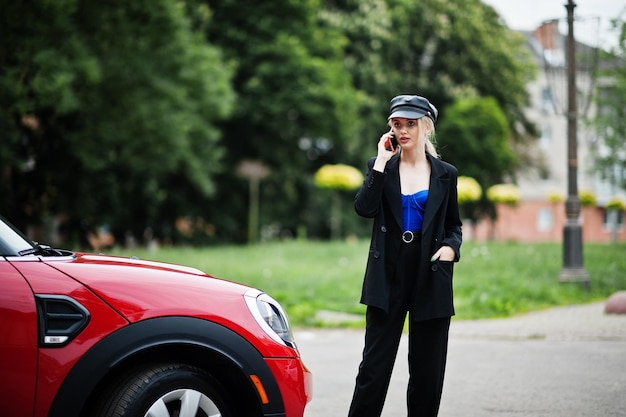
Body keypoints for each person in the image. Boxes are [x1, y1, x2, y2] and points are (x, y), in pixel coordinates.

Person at [348, 94, 462, 417]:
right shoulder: (381, 168)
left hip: (431, 273)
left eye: (410, 124)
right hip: (388, 273)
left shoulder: (446, 174)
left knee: (427, 373)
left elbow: (454, 224)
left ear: (426, 127)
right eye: (397, 124)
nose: (403, 130)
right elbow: (364, 208)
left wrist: (451, 248)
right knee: (373, 368)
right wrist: (381, 163)